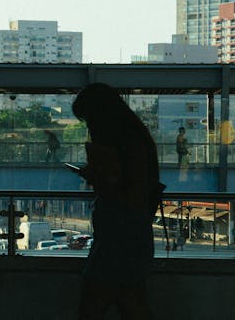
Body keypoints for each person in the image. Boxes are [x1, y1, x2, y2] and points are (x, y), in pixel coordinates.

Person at [73, 83, 159, 320]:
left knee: (94, 305)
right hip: (129, 239)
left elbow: (130, 196)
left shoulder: (129, 145)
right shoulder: (136, 142)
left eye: (90, 121)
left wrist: (99, 179)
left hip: (117, 241)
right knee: (131, 304)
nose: (90, 128)